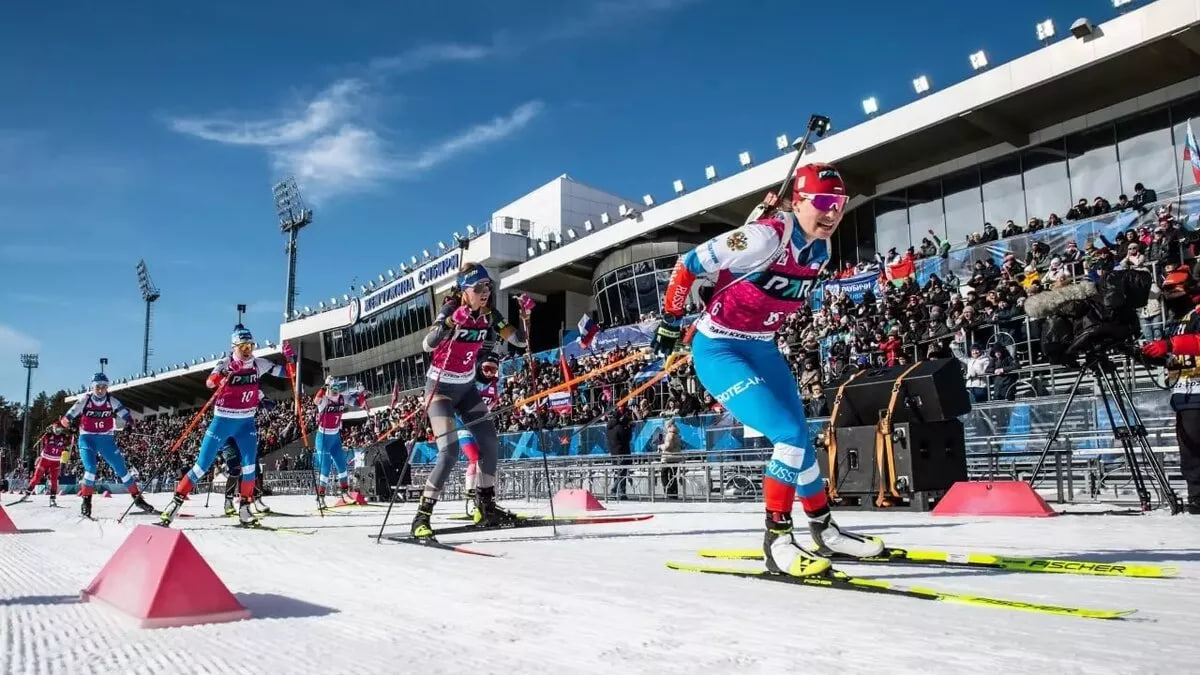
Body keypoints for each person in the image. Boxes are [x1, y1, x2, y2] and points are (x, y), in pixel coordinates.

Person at [651, 163, 884, 577]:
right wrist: (671, 321)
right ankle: (776, 540)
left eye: (840, 204)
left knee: (802, 442)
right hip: (721, 350)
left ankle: (824, 529)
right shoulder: (764, 236)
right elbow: (689, 264)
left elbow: (745, 285)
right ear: (799, 202)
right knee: (788, 437)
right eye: (824, 203)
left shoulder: (822, 250)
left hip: (763, 350)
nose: (832, 213)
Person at [410, 263, 533, 538]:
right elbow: (427, 344)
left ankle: (485, 506)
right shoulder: (451, 308)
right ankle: (422, 516)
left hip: (466, 389)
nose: (485, 292)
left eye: (488, 286)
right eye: (478, 288)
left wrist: (525, 318)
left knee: (490, 442)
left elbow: (519, 342)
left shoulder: (490, 315)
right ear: (465, 291)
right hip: (440, 389)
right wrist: (454, 320)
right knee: (449, 452)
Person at [159, 325, 295, 526]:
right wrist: (227, 373)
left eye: (250, 346)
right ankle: (175, 503)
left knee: (249, 467)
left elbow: (289, 374)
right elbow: (210, 383)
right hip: (222, 421)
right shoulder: (225, 362)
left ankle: (245, 508)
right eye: (243, 347)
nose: (247, 350)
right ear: (234, 347)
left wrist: (290, 359)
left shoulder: (259, 364)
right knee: (201, 466)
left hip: (246, 423)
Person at [60, 373, 157, 518]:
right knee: (91, 468)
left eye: (104, 387)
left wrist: (130, 422)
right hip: (87, 438)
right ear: (93, 387)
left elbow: (123, 412)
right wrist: (68, 422)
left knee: (121, 469)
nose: (100, 390)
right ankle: (86, 502)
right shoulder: (85, 400)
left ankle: (138, 499)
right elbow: (68, 416)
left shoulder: (111, 400)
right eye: (97, 387)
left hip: (106, 439)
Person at [1143, 315, 1200, 514]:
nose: (1169, 290)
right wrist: (1151, 354)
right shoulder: (1176, 318)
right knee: (1189, 450)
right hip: (1183, 392)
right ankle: (1196, 497)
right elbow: (1171, 357)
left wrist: (1170, 344)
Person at [313, 376, 369, 510]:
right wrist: (324, 385)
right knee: (325, 469)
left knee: (342, 466)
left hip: (335, 437)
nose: (336, 391)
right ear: (329, 388)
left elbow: (359, 404)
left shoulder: (343, 397)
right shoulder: (325, 400)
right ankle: (320, 498)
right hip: (323, 437)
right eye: (333, 388)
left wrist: (362, 393)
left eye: (338, 388)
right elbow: (316, 400)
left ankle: (344, 494)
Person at [23, 423, 70, 506]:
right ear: (53, 429)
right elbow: (40, 436)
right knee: (36, 477)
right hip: (45, 459)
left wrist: (72, 432)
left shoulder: (63, 437)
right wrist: (45, 431)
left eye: (59, 430)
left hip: (55, 461)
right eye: (56, 430)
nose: (58, 432)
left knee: (54, 481)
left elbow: (70, 440)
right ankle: (27, 494)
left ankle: (52, 498)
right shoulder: (48, 435)